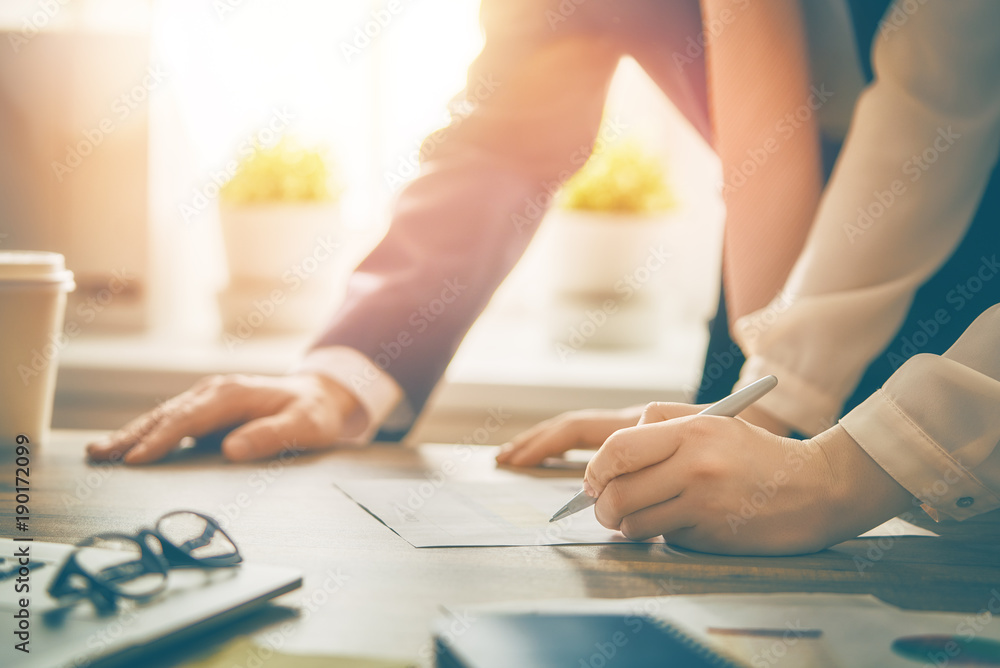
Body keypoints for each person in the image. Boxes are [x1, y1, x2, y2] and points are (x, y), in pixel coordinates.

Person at [89, 0, 1000, 554]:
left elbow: (947, 97)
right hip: (768, 322)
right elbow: (505, 131)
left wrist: (862, 460)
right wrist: (345, 372)